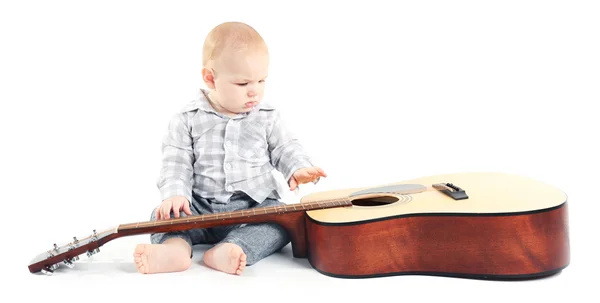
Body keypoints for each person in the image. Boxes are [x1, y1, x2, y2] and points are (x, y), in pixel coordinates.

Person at [132, 21, 327, 275]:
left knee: (280, 225)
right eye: (243, 84)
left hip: (252, 208)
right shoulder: (187, 119)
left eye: (261, 80)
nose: (254, 92)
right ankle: (175, 249)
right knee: (161, 218)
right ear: (210, 78)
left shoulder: (267, 117)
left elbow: (285, 146)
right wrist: (175, 194)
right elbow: (176, 161)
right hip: (198, 209)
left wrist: (298, 167)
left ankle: (232, 248)